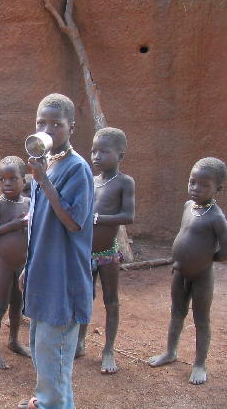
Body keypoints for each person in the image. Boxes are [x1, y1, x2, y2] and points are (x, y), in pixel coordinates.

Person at [17, 94, 94, 409]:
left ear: (71, 128)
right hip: (44, 274)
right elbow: (39, 223)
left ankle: (51, 403)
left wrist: (45, 182)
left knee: (55, 356)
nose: (47, 129)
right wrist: (28, 267)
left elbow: (74, 223)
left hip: (63, 280)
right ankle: (50, 402)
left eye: (56, 124)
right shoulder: (46, 164)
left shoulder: (78, 169)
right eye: (41, 123)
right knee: (44, 353)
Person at [148, 157, 227, 385]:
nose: (196, 188)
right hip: (179, 273)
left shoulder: (217, 218)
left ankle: (200, 363)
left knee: (201, 319)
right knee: (176, 313)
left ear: (218, 189)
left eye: (204, 185)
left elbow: (225, 250)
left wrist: (206, 260)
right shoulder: (187, 206)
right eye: (193, 182)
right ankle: (170, 352)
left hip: (202, 276)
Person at [75, 127, 135, 374]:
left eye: (103, 151)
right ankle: (79, 341)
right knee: (84, 298)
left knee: (111, 301)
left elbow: (129, 216)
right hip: (86, 252)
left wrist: (99, 218)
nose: (96, 156)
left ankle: (108, 350)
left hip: (108, 253)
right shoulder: (91, 180)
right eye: (93, 150)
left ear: (120, 155)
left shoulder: (124, 182)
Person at [0, 156, 31, 369]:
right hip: (4, 263)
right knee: (0, 304)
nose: (7, 184)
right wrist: (11, 225)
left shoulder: (29, 203)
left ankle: (14, 340)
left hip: (22, 264)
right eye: (2, 179)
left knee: (17, 304)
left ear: (24, 181)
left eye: (13, 179)